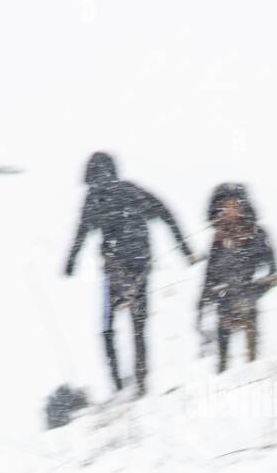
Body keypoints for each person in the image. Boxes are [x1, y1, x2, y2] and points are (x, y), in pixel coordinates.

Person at [63, 152, 196, 397]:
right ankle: (139, 380)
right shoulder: (132, 191)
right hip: (138, 265)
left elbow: (80, 233)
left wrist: (70, 262)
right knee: (137, 324)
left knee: (109, 325)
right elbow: (167, 214)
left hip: (117, 268)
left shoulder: (95, 198)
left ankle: (120, 384)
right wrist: (186, 251)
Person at [197, 183, 277, 373]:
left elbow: (272, 270)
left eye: (234, 206)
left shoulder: (257, 234)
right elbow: (209, 275)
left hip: (250, 302)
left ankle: (254, 372)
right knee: (223, 363)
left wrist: (253, 290)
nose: (229, 211)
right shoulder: (218, 239)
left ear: (243, 207)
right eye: (224, 207)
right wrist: (203, 303)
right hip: (224, 303)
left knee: (252, 363)